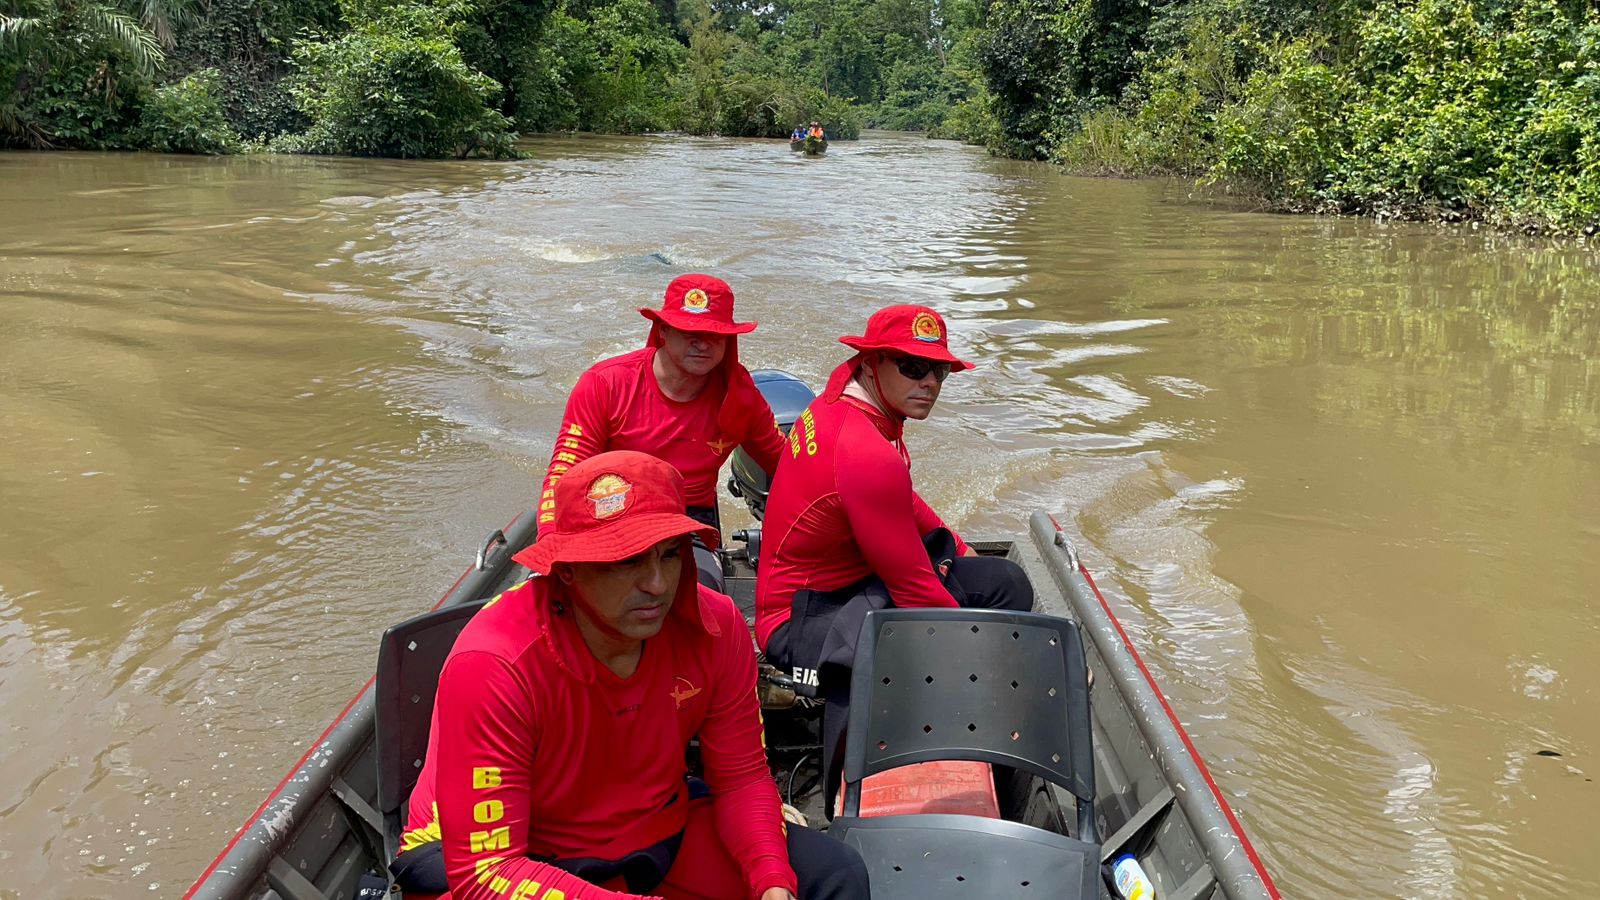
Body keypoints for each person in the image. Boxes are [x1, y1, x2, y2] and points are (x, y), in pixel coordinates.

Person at [395, 451, 871, 900]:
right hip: (505, 857)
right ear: (566, 570)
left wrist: (771, 879)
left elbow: (742, 778)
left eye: (669, 554)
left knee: (834, 877)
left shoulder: (715, 625)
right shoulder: (495, 662)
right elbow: (486, 872)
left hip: (647, 825)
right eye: (626, 561)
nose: (658, 585)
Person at [753, 304, 1034, 805]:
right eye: (912, 367)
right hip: (801, 621)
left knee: (1005, 582)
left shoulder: (843, 397)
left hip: (833, 586)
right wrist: (1002, 662)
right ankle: (848, 782)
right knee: (880, 652)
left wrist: (957, 545)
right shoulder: (863, 450)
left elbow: (901, 497)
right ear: (871, 362)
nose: (929, 382)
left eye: (939, 370)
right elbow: (914, 592)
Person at [538, 274, 787, 587]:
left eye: (715, 334)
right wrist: (550, 542)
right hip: (614, 510)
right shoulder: (605, 384)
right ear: (664, 330)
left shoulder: (740, 398)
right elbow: (564, 473)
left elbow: (789, 465)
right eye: (689, 331)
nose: (702, 343)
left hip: (688, 520)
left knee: (699, 593)